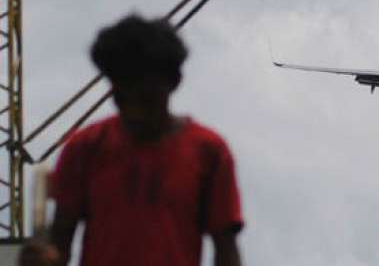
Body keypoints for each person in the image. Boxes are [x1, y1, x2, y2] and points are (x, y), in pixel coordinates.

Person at [21, 15, 243, 266]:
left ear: (173, 82)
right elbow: (60, 242)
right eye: (119, 88)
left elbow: (226, 250)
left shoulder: (209, 152)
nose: (130, 102)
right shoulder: (85, 148)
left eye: (142, 90)